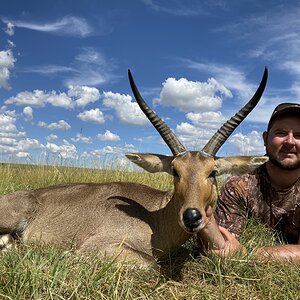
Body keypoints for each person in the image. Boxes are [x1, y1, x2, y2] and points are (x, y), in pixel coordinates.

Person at [199, 102, 300, 263]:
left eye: (299, 135)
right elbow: (225, 247)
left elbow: (237, 254)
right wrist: (206, 222)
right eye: (281, 133)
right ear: (265, 139)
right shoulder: (237, 187)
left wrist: (249, 255)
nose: (290, 141)